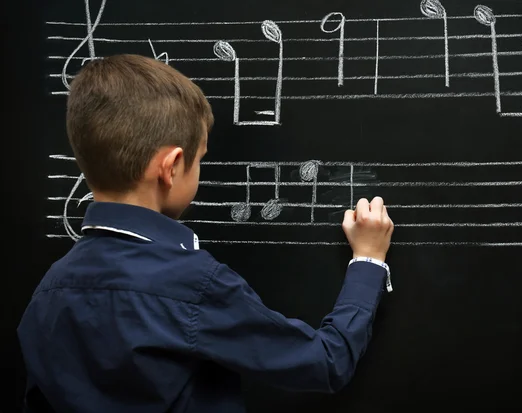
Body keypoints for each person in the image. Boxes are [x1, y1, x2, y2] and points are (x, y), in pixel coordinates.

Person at [17, 54, 394, 413]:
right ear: (172, 166)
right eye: (199, 159)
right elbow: (326, 362)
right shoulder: (194, 285)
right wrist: (368, 261)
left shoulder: (48, 292)